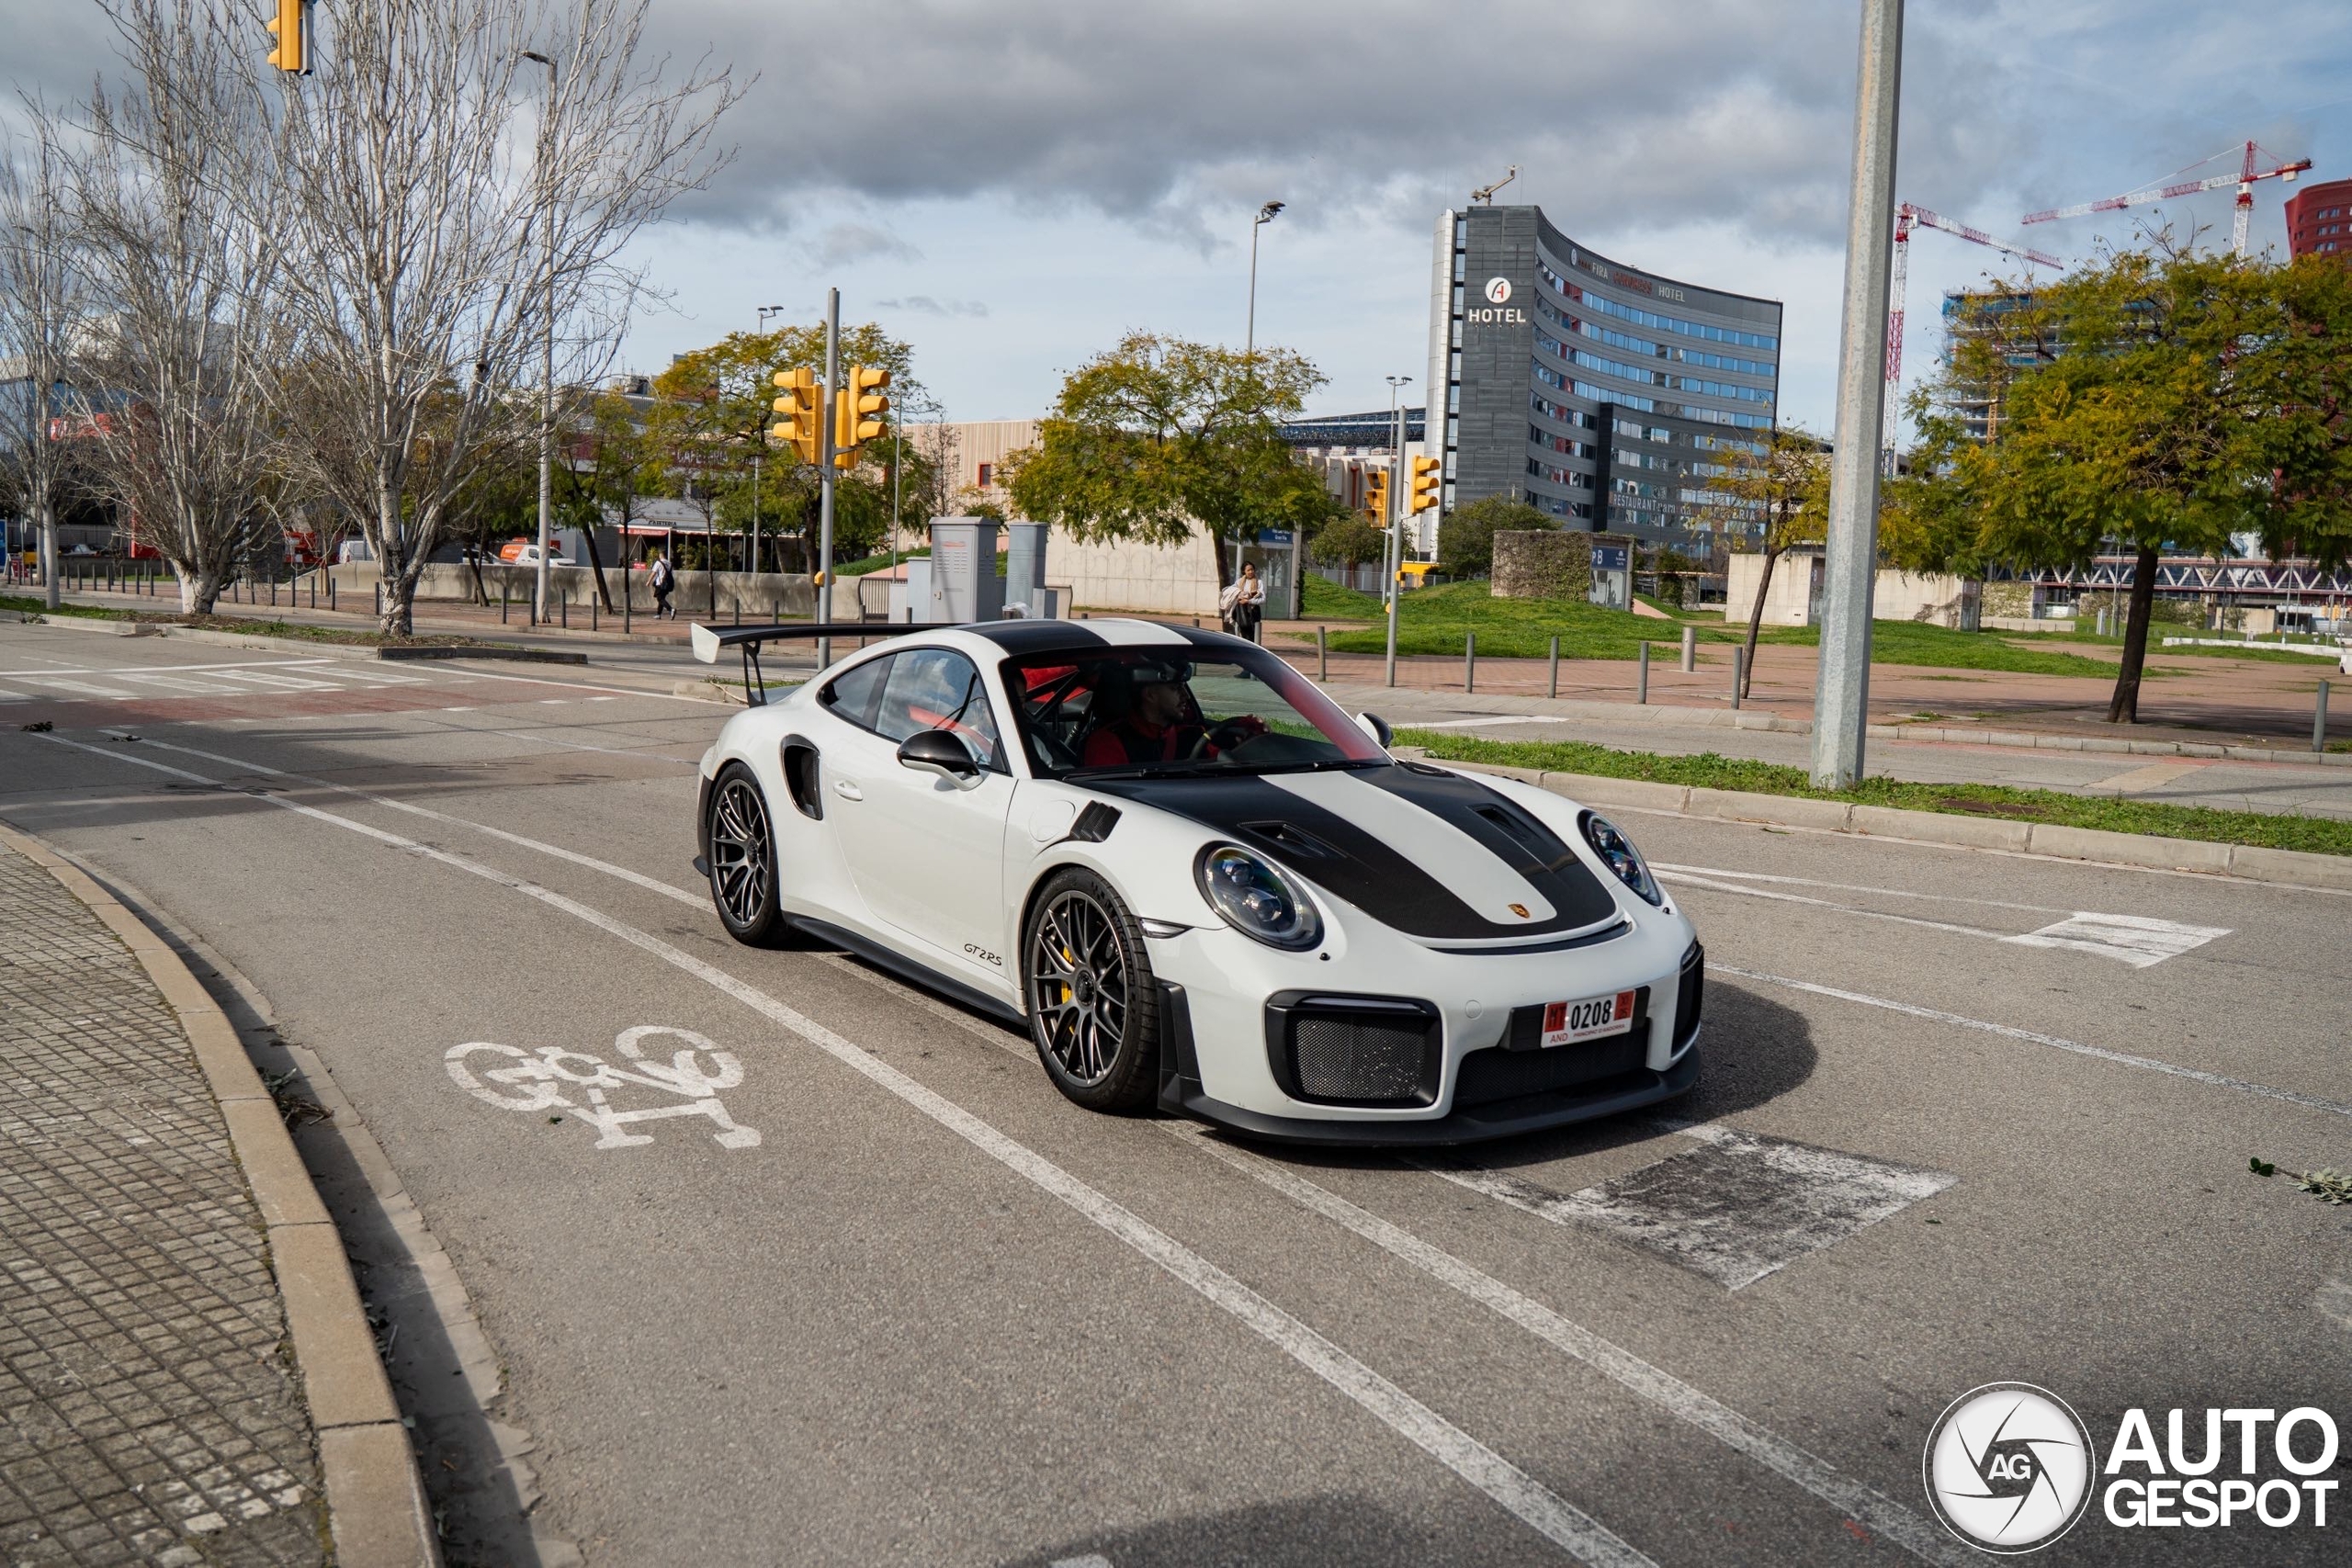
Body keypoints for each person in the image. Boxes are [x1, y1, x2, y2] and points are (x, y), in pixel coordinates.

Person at [1080, 660, 1261, 767]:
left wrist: (1254, 736)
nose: (1185, 696)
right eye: (1176, 689)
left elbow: (1228, 767)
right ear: (1150, 695)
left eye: (1184, 688)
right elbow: (1110, 798)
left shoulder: (1194, 736)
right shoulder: (1108, 742)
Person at [1221, 560, 1265, 643]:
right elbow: (1231, 592)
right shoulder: (1238, 582)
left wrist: (1248, 601)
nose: (1251, 572)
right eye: (1248, 570)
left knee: (1253, 635)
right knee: (1243, 633)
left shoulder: (1259, 582)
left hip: (1254, 611)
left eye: (1252, 569)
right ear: (1244, 571)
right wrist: (1239, 595)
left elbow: (1263, 599)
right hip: (1241, 611)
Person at [650, 552, 675, 619]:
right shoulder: (670, 563)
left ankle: (671, 609)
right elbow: (671, 573)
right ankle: (658, 614)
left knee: (659, 598)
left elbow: (653, 573)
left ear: (660, 556)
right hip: (667, 584)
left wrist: (648, 581)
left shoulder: (658, 562)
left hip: (660, 583)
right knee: (662, 598)